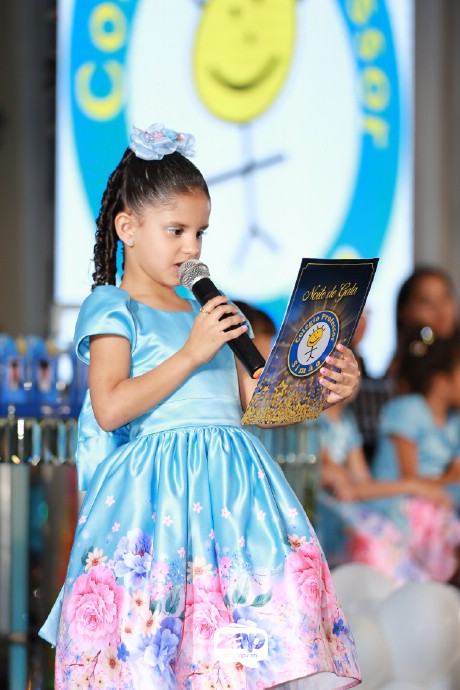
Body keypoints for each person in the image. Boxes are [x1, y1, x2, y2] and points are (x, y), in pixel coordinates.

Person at [39, 123, 361, 689]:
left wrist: (330, 388)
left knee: (242, 651)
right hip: (156, 501)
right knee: (157, 647)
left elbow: (260, 403)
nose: (192, 249)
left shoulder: (208, 311)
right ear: (127, 228)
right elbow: (110, 406)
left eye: (200, 233)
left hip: (234, 500)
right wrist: (192, 352)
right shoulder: (114, 307)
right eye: (177, 231)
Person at [316, 391, 459, 584]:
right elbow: (340, 481)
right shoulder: (314, 420)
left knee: (394, 537)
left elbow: (361, 483)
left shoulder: (346, 421)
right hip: (327, 507)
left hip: (351, 503)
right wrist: (410, 485)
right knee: (377, 544)